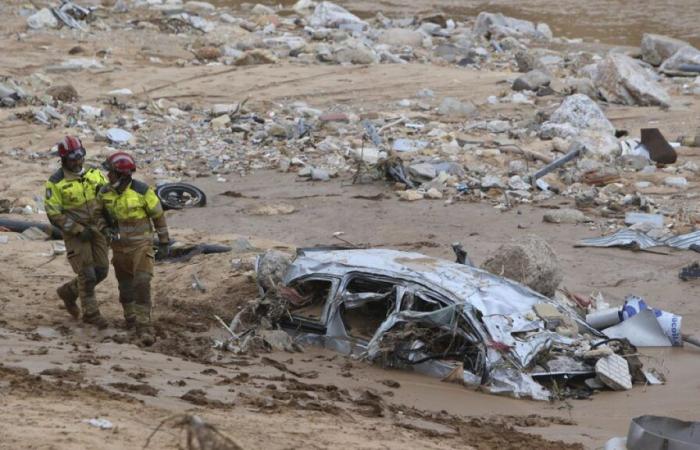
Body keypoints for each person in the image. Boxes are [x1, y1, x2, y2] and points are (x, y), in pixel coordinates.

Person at [97, 152, 170, 346]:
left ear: (120, 174)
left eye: (110, 172)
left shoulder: (143, 191)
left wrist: (164, 242)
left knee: (142, 282)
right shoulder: (104, 193)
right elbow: (99, 217)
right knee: (125, 284)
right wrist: (105, 230)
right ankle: (131, 319)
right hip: (119, 248)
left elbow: (158, 217)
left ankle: (144, 325)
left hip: (141, 246)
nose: (107, 176)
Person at [45, 136, 109, 329]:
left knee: (101, 271)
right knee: (87, 273)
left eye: (80, 156)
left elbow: (107, 198)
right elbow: (53, 212)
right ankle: (91, 313)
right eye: (72, 158)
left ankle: (69, 292)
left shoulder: (95, 174)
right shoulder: (56, 183)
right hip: (75, 232)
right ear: (63, 159)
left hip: (98, 228)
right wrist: (77, 229)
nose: (77, 161)